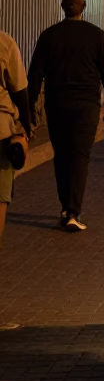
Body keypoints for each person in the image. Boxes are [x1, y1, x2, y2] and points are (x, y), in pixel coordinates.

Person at [28, 0, 104, 232]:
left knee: (61, 156)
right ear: (84, 6)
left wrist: (29, 110)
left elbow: (35, 73)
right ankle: (73, 211)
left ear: (62, 5)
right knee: (79, 156)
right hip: (86, 105)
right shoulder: (97, 35)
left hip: (57, 103)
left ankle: (64, 207)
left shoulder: (49, 35)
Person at [0, 30, 30, 247]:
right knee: (1, 193)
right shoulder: (4, 41)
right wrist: (25, 126)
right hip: (1, 129)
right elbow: (19, 89)